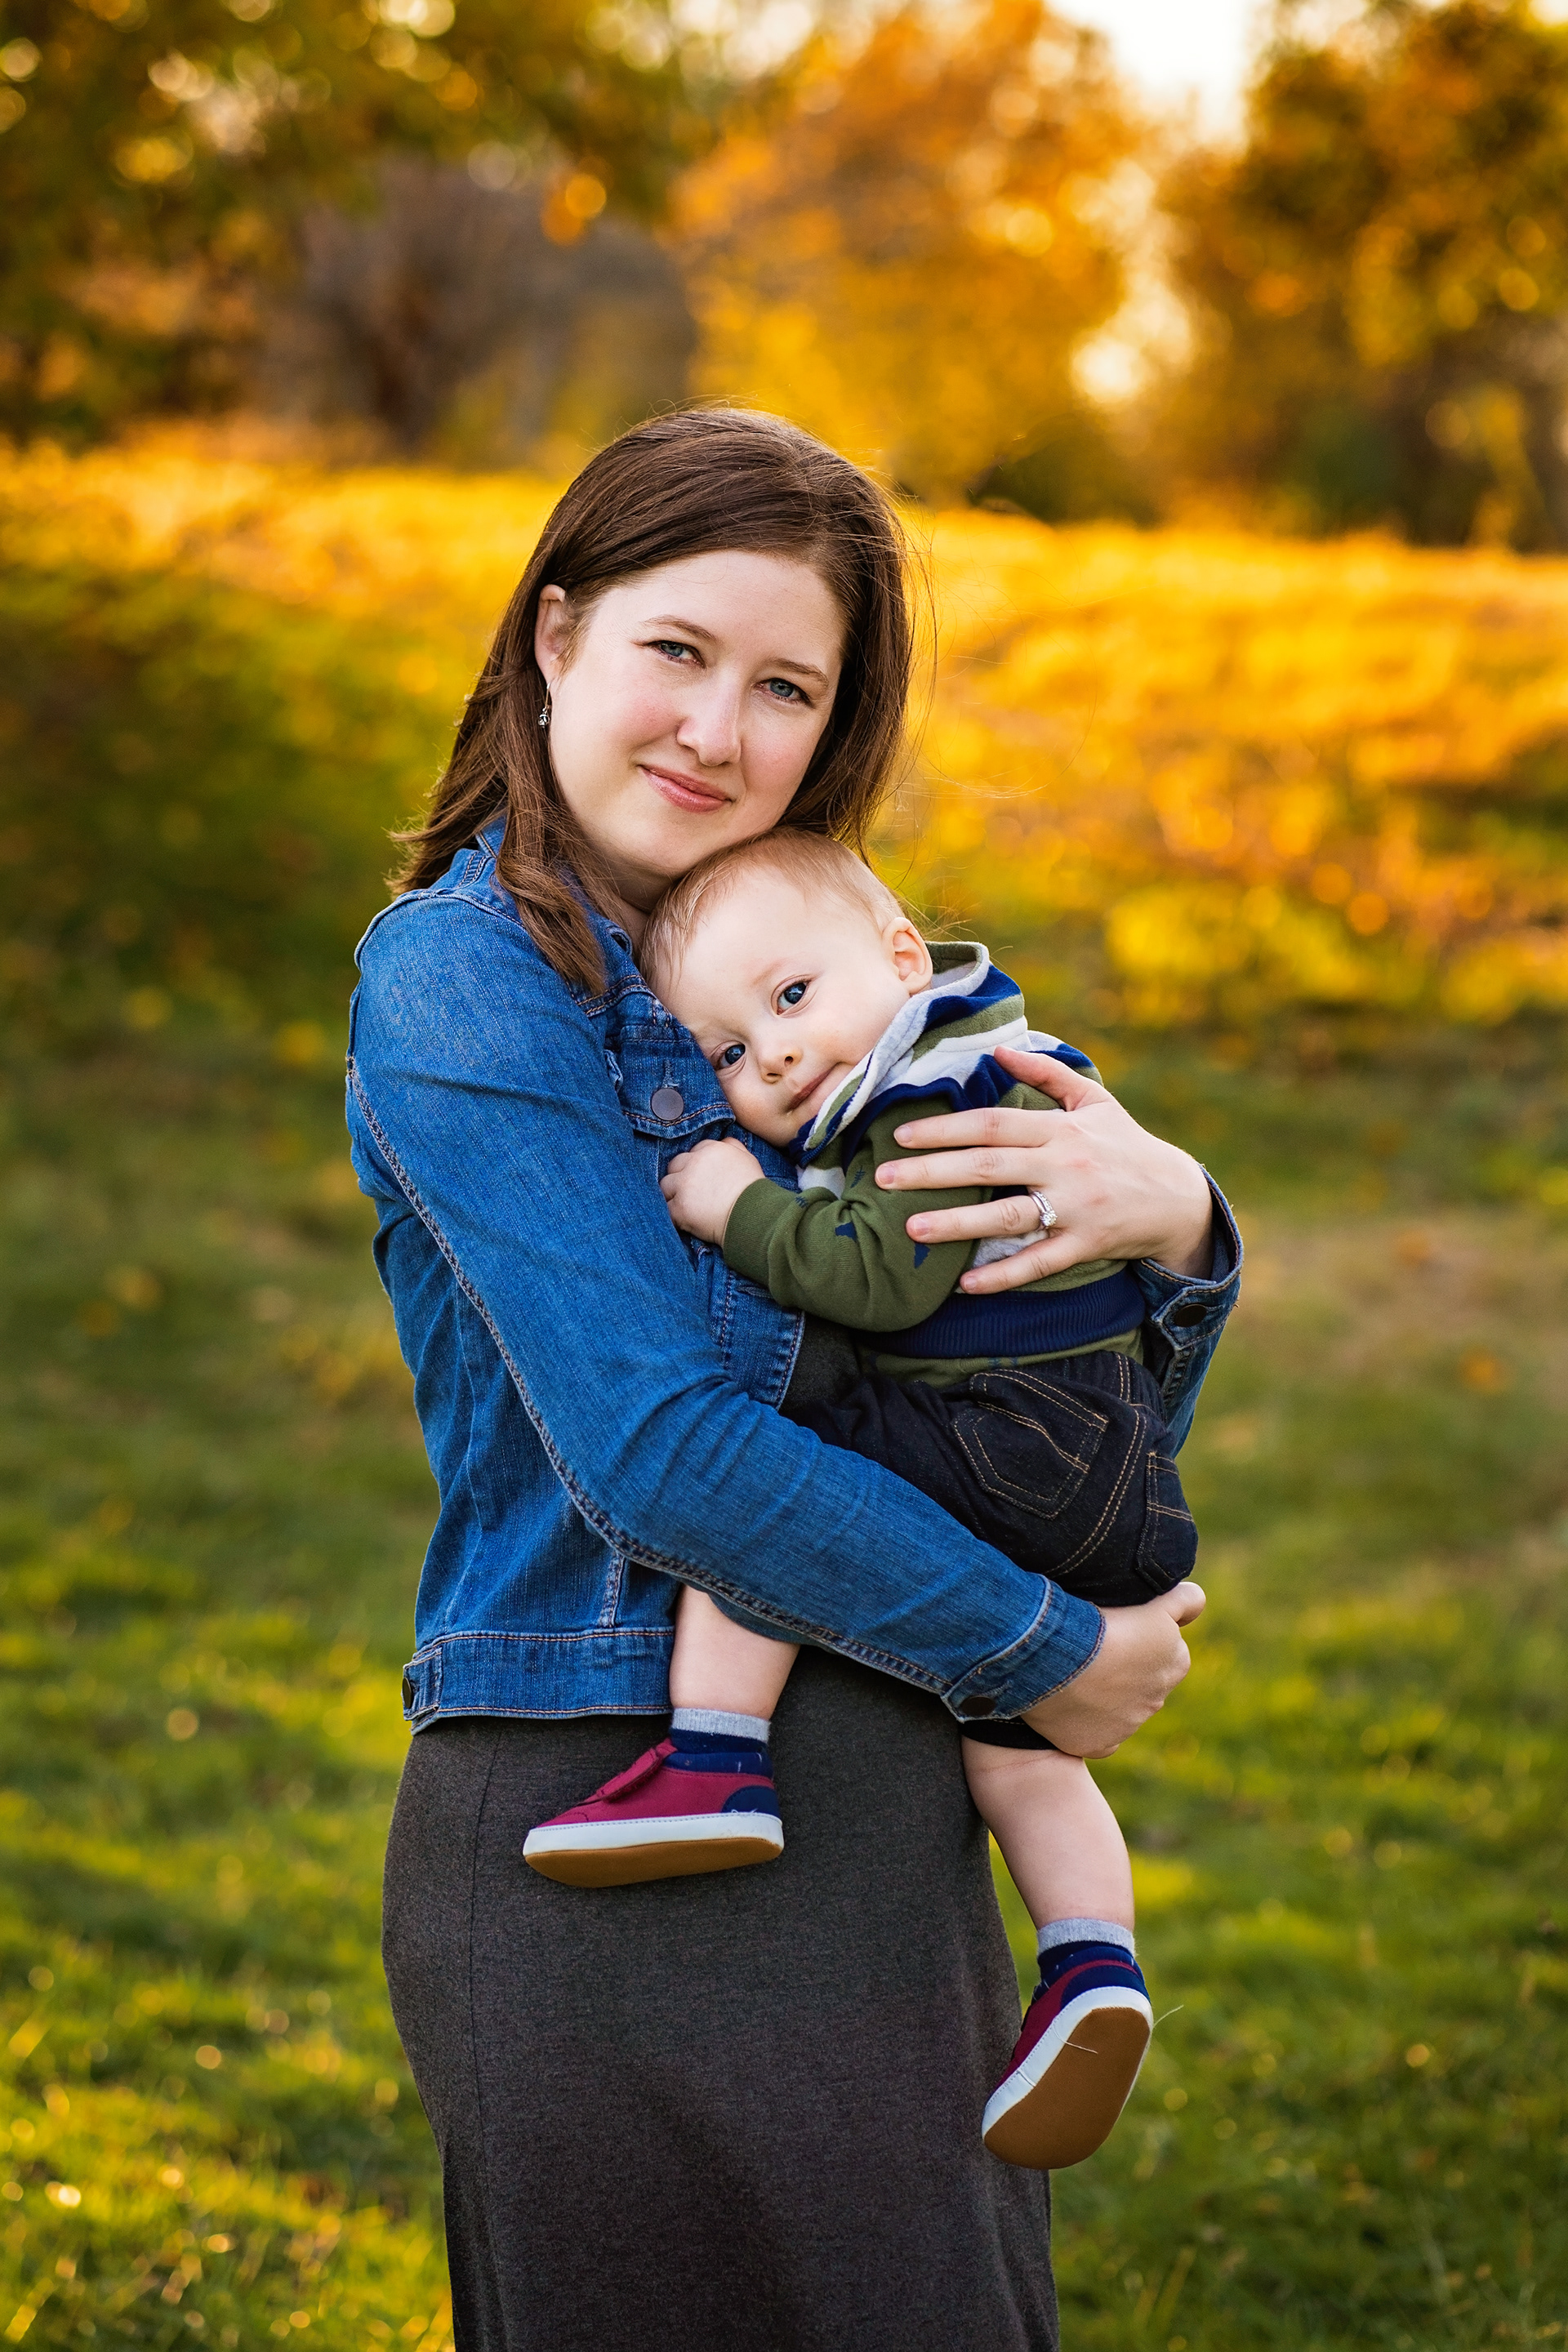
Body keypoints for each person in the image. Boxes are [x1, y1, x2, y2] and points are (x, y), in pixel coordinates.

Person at [351, 408, 1241, 2352]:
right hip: (590, 1778)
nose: (717, 730)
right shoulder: (460, 984)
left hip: (882, 1785)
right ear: (555, 635)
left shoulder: (840, 1003)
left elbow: (1038, 1409)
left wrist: (1175, 1225)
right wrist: (1038, 1650)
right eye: (678, 649)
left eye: (785, 688)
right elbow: (660, 1454)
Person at [523, 829, 1200, 2175]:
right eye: (726, 1052)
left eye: (787, 999)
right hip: (1098, 1465)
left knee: (769, 1471)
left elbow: (880, 1282)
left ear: (901, 959)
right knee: (1019, 1756)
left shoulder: (926, 1097)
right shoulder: (978, 1053)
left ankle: (715, 1751)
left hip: (1012, 1438)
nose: (768, 1059)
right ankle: (1089, 1971)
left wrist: (731, 1206)